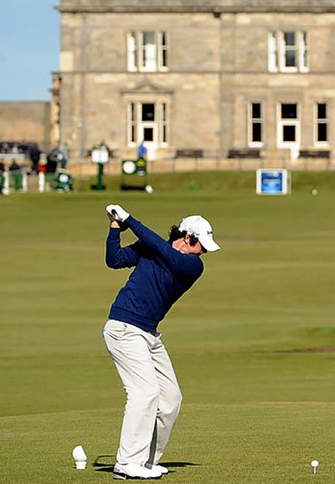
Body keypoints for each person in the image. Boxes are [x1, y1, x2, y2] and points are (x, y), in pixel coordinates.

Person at [102, 204, 221, 480]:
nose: (204, 251)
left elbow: (161, 248)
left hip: (149, 335)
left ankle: (145, 461)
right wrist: (115, 227)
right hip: (124, 328)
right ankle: (127, 462)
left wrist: (130, 219)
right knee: (144, 393)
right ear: (188, 237)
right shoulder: (154, 248)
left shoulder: (192, 266)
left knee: (170, 399)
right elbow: (115, 259)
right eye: (201, 244)